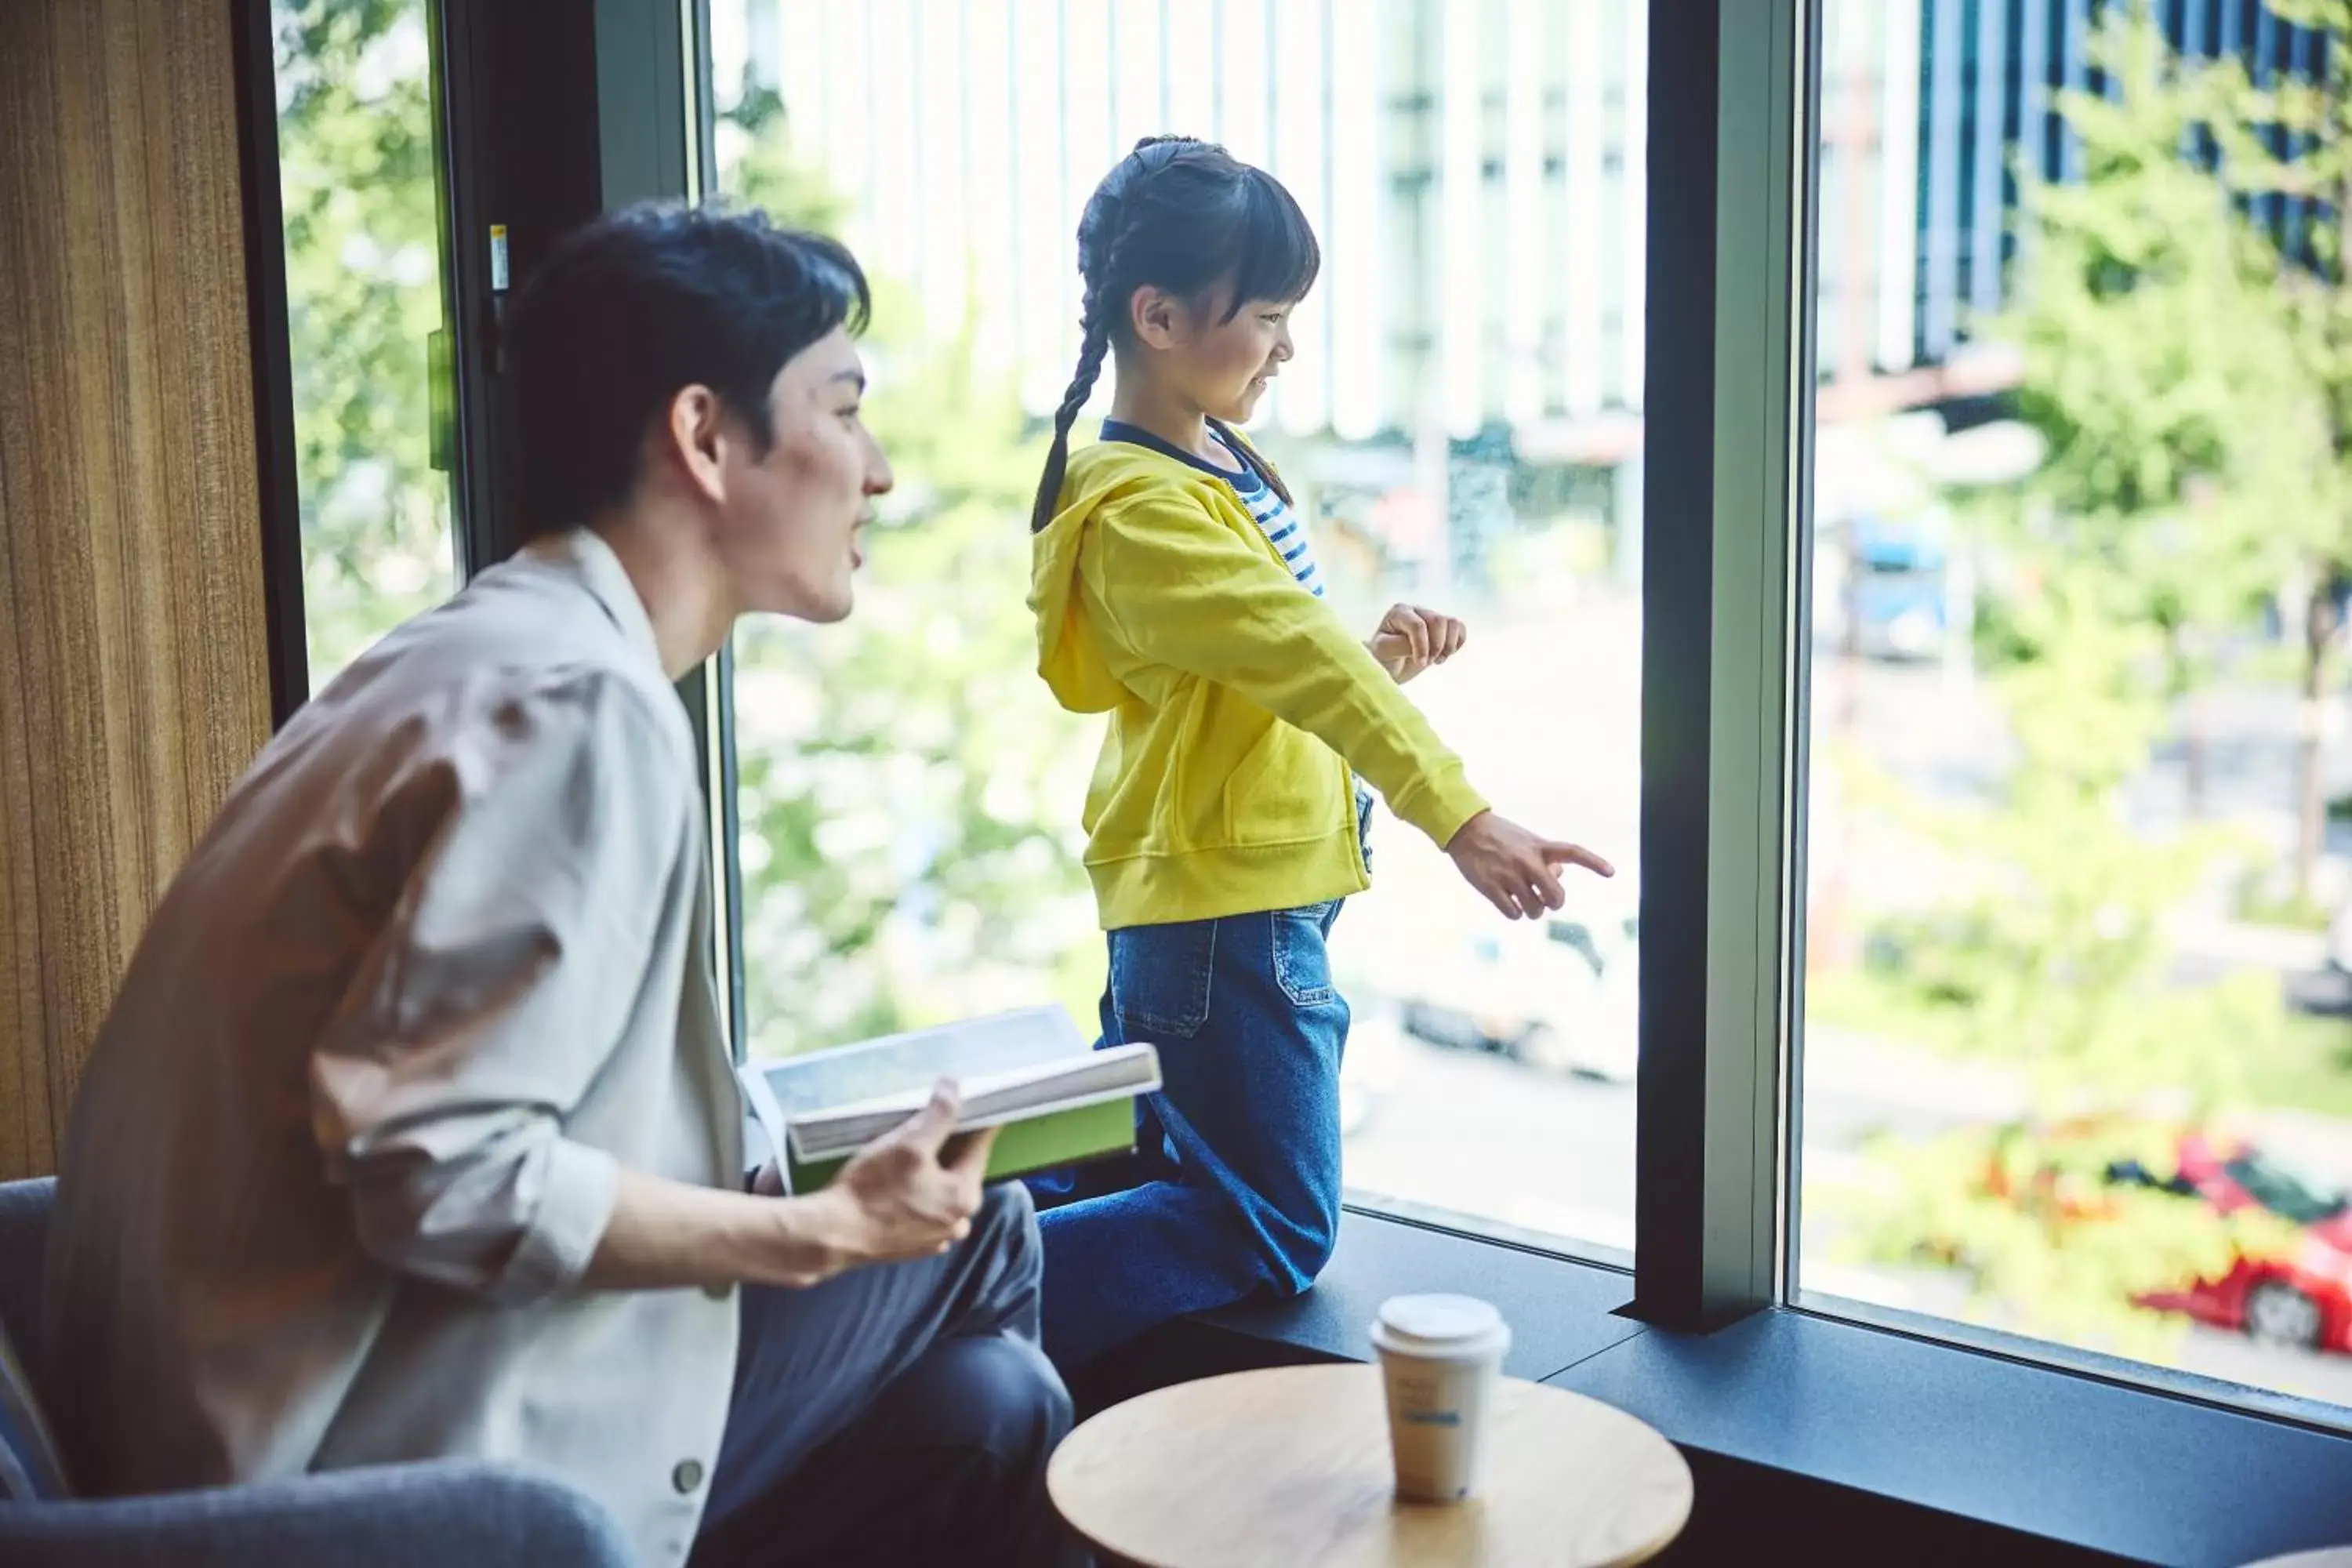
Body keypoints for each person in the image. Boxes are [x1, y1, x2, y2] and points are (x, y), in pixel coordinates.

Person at [42, 205, 1080, 1568]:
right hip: (360, 1468)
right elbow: (438, 1172)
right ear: (705, 438)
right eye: (846, 408)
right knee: (984, 1261)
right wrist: (812, 1231)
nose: (878, 472)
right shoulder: (582, 712)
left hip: (204, 1416)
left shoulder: (464, 654)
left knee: (990, 1377)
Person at [1025, 136, 1614, 1370]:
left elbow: (1252, 679)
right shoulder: (1145, 508)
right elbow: (1295, 655)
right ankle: (930, 1305)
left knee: (1132, 1169)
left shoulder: (1209, 464)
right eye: (1272, 317)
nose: (1288, 349)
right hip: (1226, 919)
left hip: (1228, 903)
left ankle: (944, 1288)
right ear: (1161, 315)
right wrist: (1461, 816)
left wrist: (1379, 663)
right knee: (1272, 1225)